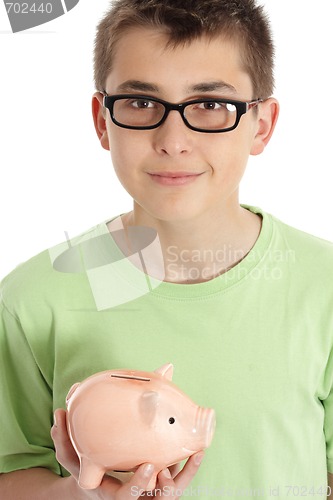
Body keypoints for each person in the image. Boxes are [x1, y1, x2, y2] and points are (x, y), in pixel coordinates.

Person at [1, 0, 333, 498]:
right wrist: (81, 494)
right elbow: (11, 474)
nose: (173, 140)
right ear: (101, 119)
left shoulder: (322, 286)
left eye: (210, 105)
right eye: (140, 103)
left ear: (261, 124)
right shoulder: (32, 301)